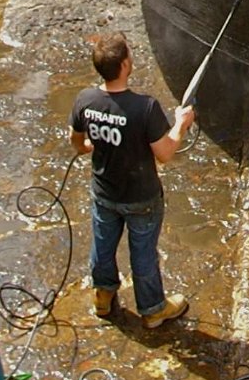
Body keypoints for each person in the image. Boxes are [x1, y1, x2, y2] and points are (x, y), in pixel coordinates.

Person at [70, 32, 194, 327]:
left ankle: (103, 297)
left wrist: (89, 147)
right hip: (142, 198)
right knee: (143, 254)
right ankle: (152, 310)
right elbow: (164, 153)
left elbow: (76, 140)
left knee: (102, 245)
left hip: (104, 193)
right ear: (125, 65)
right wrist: (181, 124)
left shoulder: (85, 100)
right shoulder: (145, 108)